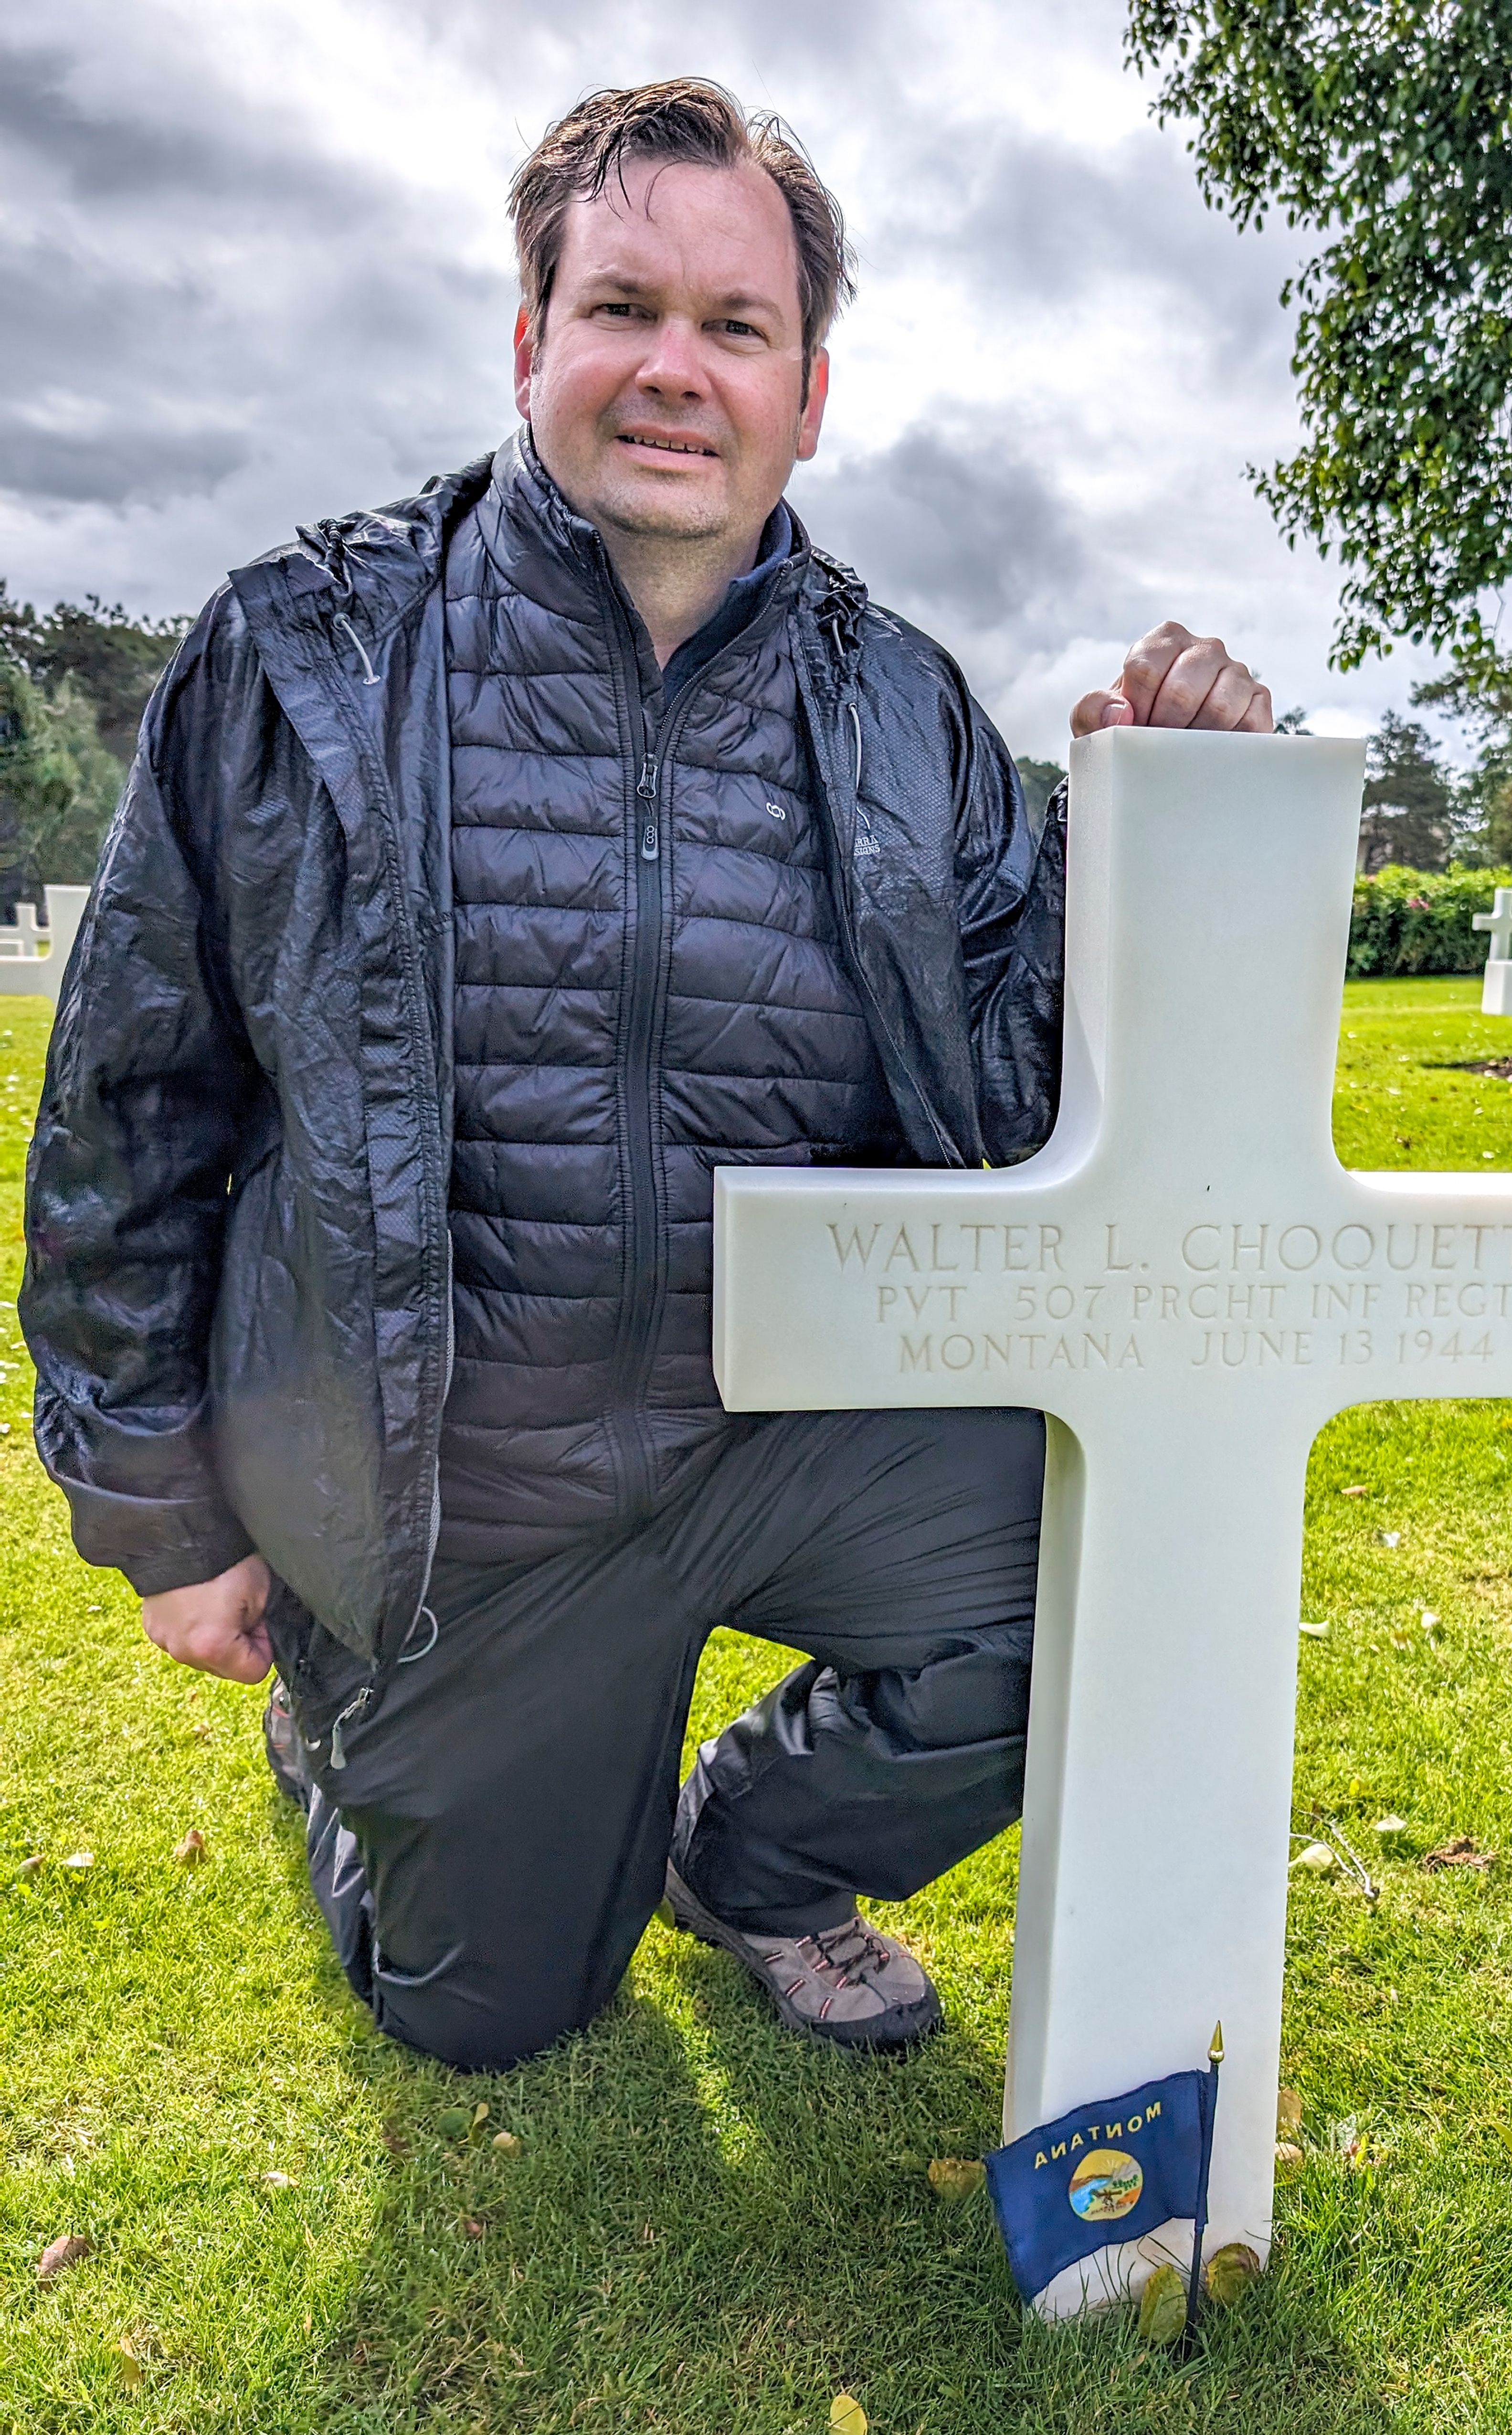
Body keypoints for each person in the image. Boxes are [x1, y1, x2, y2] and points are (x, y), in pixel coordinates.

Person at [22, 79, 1274, 2072]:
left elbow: (1030, 1078)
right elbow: (130, 1112)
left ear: (811, 387)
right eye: (623, 311)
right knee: (491, 2014)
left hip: (789, 1441)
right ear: (533, 346)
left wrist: (1156, 827)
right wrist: (171, 1519)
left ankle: (758, 1857)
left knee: (1122, 1585)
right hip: (467, 1499)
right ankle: (358, 1731)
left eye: (736, 325)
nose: (675, 370)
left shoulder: (904, 711)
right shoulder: (307, 655)